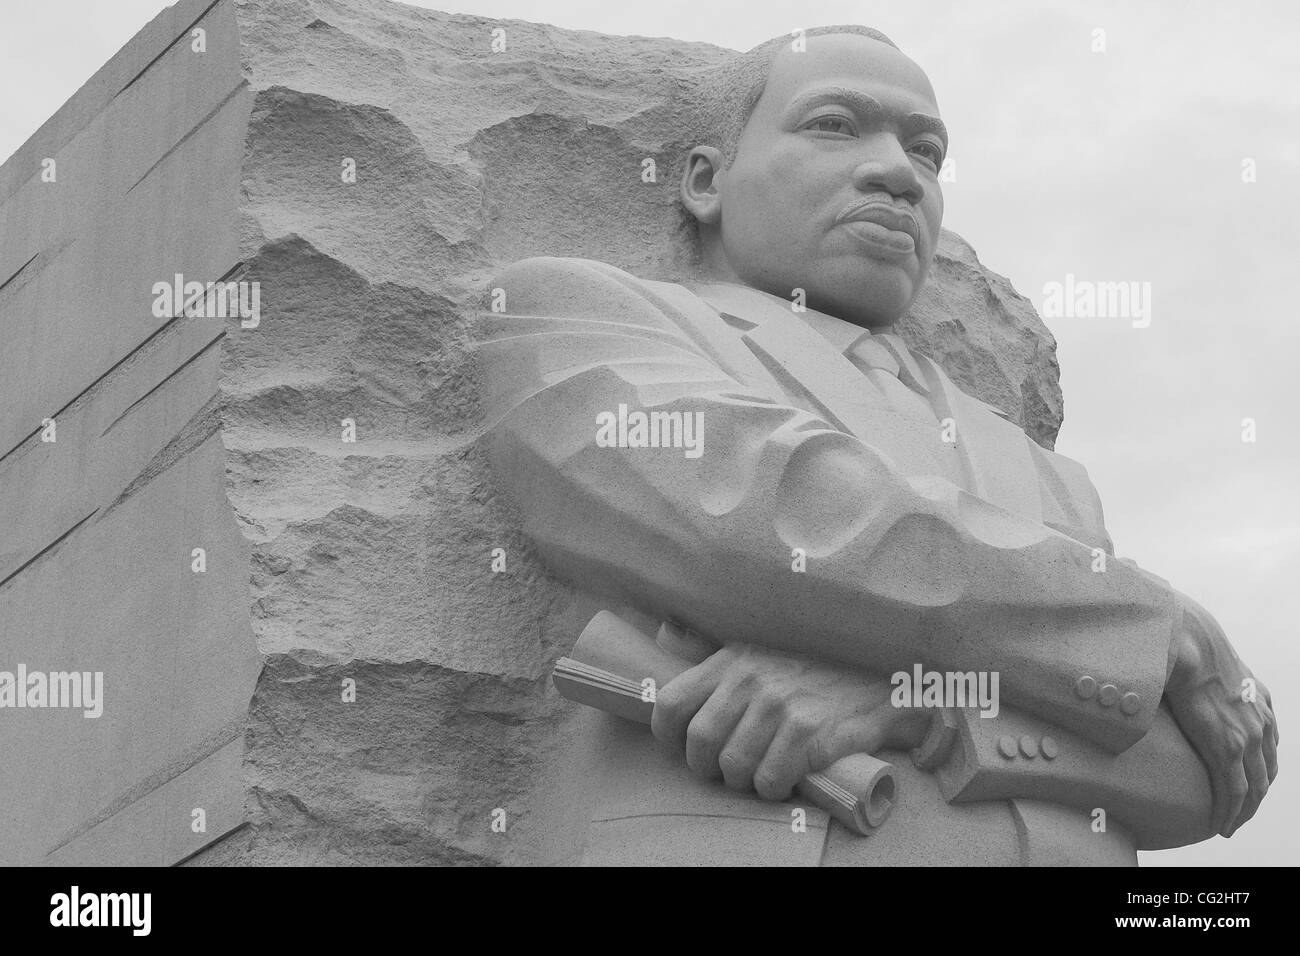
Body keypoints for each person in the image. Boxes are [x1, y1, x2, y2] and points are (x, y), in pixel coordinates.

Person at [477, 26, 1276, 864]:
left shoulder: (1047, 477)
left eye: (927, 152)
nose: (900, 172)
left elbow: (1205, 777)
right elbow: (770, 520)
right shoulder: (572, 315)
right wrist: (1161, 625)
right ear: (706, 181)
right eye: (834, 124)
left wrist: (915, 703)